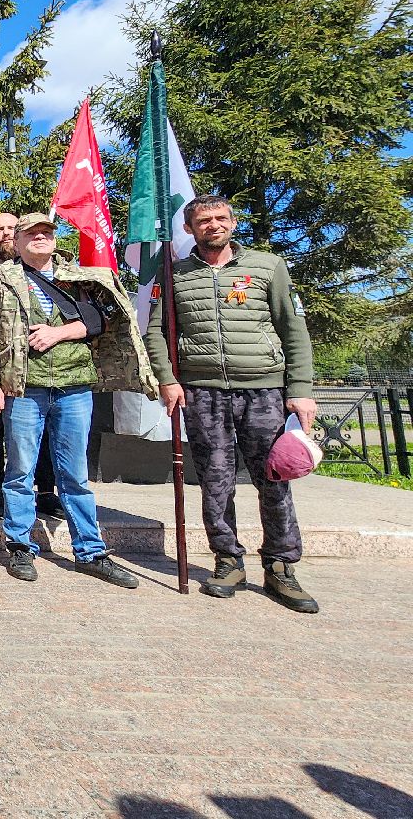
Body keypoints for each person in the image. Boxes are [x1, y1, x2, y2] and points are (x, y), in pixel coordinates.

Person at [144, 195, 320, 613]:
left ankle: (280, 566)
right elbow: (156, 333)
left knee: (273, 479)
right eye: (203, 220)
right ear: (189, 229)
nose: (213, 225)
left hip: (264, 390)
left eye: (220, 218)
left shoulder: (267, 267)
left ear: (233, 223)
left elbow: (293, 330)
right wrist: (168, 380)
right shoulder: (173, 274)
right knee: (215, 479)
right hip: (203, 391)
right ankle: (228, 560)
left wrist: (301, 388)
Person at [0, 213, 153, 589]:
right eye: (31, 234)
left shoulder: (83, 278)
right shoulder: (1, 280)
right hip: (23, 386)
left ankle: (90, 551)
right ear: (18, 241)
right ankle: (20, 546)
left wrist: (60, 332)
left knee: (74, 474)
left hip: (74, 385)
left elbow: (110, 318)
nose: (40, 238)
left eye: (46, 233)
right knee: (20, 471)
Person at [0, 211, 61, 519]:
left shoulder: (50, 270)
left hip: (41, 366)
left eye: (10, 227)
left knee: (43, 433)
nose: (5, 233)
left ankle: (46, 490)